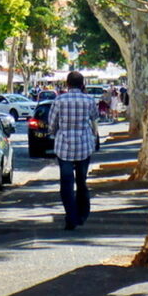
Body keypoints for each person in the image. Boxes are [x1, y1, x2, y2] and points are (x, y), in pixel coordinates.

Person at [48, 71, 98, 231]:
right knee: (81, 181)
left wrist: (55, 133)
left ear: (67, 84)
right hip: (84, 145)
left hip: (65, 147)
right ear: (82, 84)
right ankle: (83, 213)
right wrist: (95, 138)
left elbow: (52, 123)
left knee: (66, 183)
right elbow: (94, 119)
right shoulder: (89, 100)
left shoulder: (59, 100)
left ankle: (71, 216)